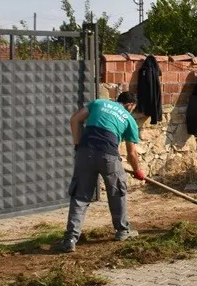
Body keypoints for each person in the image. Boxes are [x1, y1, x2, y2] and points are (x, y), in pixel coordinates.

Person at [59, 92, 145, 253]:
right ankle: (122, 231)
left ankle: (70, 238)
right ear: (131, 105)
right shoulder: (128, 119)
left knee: (80, 195)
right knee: (117, 191)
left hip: (85, 152)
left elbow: (74, 120)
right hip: (109, 156)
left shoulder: (98, 103)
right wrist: (138, 171)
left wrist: (77, 145)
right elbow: (132, 153)